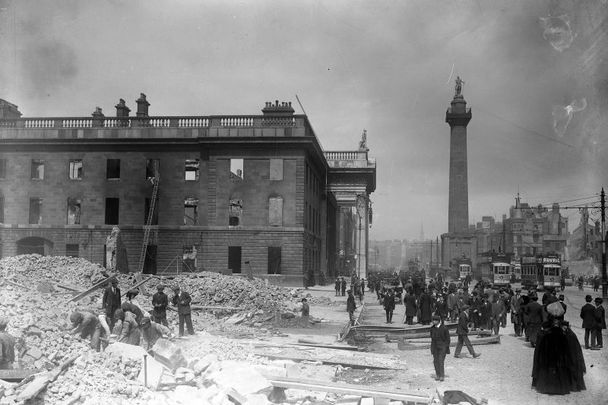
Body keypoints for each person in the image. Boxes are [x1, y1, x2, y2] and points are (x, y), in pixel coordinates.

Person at [532, 302, 585, 394]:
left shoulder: (546, 327)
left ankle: (549, 384)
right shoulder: (565, 328)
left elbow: (540, 341)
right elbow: (573, 344)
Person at [430, 314, 450, 381]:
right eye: (433, 320)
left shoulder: (444, 328)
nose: (434, 322)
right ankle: (437, 375)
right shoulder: (432, 328)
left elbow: (448, 339)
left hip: (442, 347)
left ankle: (442, 375)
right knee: (435, 361)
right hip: (435, 347)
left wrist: (445, 347)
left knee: (441, 361)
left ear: (439, 321)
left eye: (435, 320)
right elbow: (432, 338)